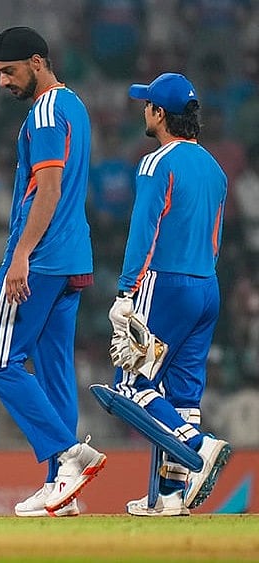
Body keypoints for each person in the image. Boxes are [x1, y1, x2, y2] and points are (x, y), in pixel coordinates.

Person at [0, 27, 106, 518]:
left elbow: (48, 190)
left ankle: (71, 453)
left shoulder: (47, 111)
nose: (3, 83)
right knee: (55, 371)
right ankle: (61, 488)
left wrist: (20, 255)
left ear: (37, 61)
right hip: (72, 258)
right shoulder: (74, 105)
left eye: (9, 71)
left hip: (42, 258)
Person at [110, 72, 231, 516]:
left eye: (147, 104)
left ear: (160, 114)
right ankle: (170, 496)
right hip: (206, 285)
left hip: (164, 283)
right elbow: (216, 239)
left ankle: (200, 447)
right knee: (184, 395)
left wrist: (126, 291)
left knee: (131, 384)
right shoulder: (217, 170)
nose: (144, 109)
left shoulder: (156, 162)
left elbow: (144, 230)